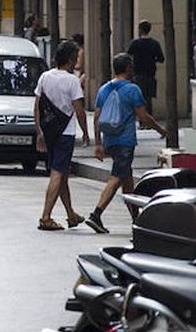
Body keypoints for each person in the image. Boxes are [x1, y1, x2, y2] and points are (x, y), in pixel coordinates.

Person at [85, 52, 168, 233]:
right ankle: (96, 214)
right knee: (116, 178)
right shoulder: (133, 89)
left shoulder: (103, 89)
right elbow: (143, 117)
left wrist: (98, 143)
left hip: (110, 140)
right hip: (125, 141)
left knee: (126, 179)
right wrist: (160, 130)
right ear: (128, 68)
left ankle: (136, 219)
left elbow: (97, 117)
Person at [35, 40, 91, 231]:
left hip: (50, 131)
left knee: (63, 173)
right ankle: (45, 217)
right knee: (57, 173)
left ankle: (70, 214)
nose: (78, 59)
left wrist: (40, 130)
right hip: (65, 133)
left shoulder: (44, 77)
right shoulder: (72, 80)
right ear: (69, 58)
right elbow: (79, 109)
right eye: (76, 56)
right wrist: (85, 132)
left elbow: (38, 106)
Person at [126, 20, 165, 116]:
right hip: (150, 74)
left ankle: (142, 119)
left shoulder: (135, 43)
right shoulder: (155, 44)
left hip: (138, 74)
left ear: (140, 30)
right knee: (148, 97)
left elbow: (127, 56)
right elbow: (161, 58)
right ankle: (149, 118)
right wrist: (152, 60)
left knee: (139, 97)